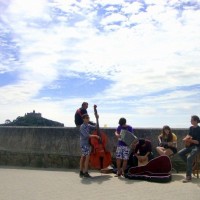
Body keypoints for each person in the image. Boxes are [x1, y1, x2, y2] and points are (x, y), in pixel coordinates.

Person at [178, 115, 200, 183]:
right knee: (180, 153)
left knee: (189, 158)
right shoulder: (191, 128)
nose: (190, 121)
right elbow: (189, 135)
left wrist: (190, 140)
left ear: (195, 121)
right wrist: (186, 138)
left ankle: (188, 176)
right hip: (190, 146)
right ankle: (192, 164)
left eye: (191, 120)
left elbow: (197, 142)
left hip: (197, 147)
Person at [79, 114, 100, 178]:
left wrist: (97, 118)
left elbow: (96, 127)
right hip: (84, 143)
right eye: (87, 118)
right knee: (87, 157)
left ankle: (81, 172)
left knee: (83, 157)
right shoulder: (82, 126)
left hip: (86, 143)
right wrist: (95, 136)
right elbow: (86, 135)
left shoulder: (88, 125)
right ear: (83, 119)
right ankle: (85, 172)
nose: (88, 119)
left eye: (88, 118)